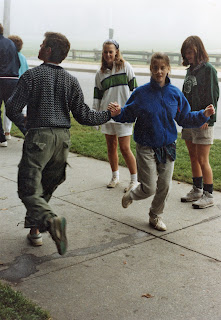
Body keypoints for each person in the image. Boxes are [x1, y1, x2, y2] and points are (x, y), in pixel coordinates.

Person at [6, 32, 112, 255]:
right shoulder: (71, 81)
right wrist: (107, 115)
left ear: (49, 51)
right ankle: (35, 231)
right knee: (43, 187)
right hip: (62, 142)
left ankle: (50, 220)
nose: (40, 45)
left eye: (43, 44)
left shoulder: (31, 77)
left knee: (28, 189)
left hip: (39, 139)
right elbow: (84, 116)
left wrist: (25, 126)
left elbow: (12, 108)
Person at [108, 52, 215, 231]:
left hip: (168, 147)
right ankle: (132, 195)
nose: (159, 71)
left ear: (168, 69)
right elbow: (128, 113)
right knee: (149, 188)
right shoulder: (141, 93)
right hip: (146, 146)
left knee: (165, 185)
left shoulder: (175, 94)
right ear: (151, 69)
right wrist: (118, 112)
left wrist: (203, 115)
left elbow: (184, 117)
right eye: (155, 68)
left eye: (162, 68)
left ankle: (155, 215)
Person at [93, 39, 138, 192]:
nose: (108, 54)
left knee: (125, 148)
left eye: (110, 51)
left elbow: (135, 91)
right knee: (111, 147)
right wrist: (97, 116)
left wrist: (133, 110)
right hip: (107, 115)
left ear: (116, 52)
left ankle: (134, 180)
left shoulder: (126, 67)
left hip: (124, 115)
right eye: (105, 52)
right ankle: (115, 176)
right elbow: (97, 97)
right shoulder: (100, 74)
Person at [180, 36, 219, 209]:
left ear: (198, 50)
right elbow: (186, 95)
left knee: (203, 159)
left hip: (202, 120)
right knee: (193, 156)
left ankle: (208, 195)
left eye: (190, 52)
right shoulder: (191, 70)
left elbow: (212, 96)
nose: (187, 55)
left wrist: (207, 118)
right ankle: (197, 189)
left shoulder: (208, 70)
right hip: (189, 119)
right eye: (185, 53)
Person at [4, 35, 29, 139]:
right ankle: (27, 129)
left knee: (9, 109)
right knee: (22, 110)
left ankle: (7, 132)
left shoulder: (10, 57)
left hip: (12, 83)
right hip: (23, 85)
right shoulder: (23, 58)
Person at [0, 23, 20, 147]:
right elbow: (17, 62)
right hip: (12, 79)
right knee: (13, 110)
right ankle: (29, 132)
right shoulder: (10, 43)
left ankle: (2, 139)